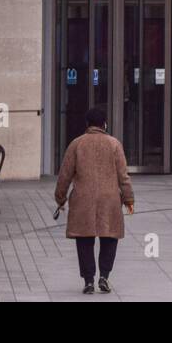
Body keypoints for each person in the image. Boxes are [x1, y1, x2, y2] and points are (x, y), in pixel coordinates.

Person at [54, 107, 134, 295]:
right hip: (110, 199)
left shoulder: (76, 144)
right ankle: (104, 276)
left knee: (84, 239)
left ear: (87, 124)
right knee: (110, 236)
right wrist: (129, 199)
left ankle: (89, 280)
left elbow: (64, 175)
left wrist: (60, 198)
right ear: (104, 124)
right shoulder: (114, 144)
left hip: (83, 199)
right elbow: (123, 176)